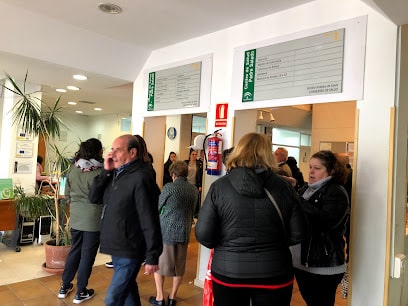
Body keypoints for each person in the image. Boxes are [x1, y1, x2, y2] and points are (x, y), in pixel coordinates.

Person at [195, 132, 305, 306]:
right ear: (268, 154)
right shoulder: (284, 187)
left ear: (239, 151)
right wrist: (275, 243)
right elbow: (299, 233)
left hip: (228, 271)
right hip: (274, 271)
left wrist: (227, 245)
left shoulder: (220, 187)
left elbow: (203, 234)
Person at [89, 134, 163, 306]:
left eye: (118, 150)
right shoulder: (115, 174)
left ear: (132, 153)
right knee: (128, 292)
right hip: (117, 246)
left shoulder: (141, 178)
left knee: (113, 299)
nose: (112, 154)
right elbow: (94, 197)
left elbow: (149, 218)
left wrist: (153, 254)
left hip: (130, 247)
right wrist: (106, 171)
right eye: (112, 149)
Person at [291, 150, 350, 306]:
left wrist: (295, 198)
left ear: (331, 171)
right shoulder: (307, 189)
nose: (311, 171)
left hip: (323, 265)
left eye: (317, 168)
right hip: (302, 263)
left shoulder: (336, 192)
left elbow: (325, 222)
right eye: (310, 166)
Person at [57, 138, 104, 304]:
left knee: (75, 251)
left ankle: (64, 286)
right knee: (87, 256)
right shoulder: (100, 172)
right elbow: (105, 197)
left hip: (76, 218)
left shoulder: (73, 169)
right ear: (98, 151)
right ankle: (81, 291)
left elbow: (67, 194)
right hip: (93, 219)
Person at [149, 160, 198, 306]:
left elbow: (158, 206)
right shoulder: (194, 190)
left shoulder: (169, 187)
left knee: (159, 265)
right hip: (184, 232)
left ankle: (159, 298)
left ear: (173, 174)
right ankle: (172, 298)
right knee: (179, 266)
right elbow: (195, 211)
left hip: (167, 231)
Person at [184, 149, 203, 218]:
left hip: (195, 184)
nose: (194, 156)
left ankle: (194, 214)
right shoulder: (185, 163)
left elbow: (201, 175)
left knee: (195, 199)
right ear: (189, 155)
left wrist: (200, 185)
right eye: (193, 154)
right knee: (186, 199)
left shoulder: (199, 163)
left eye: (195, 154)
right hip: (186, 183)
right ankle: (187, 214)